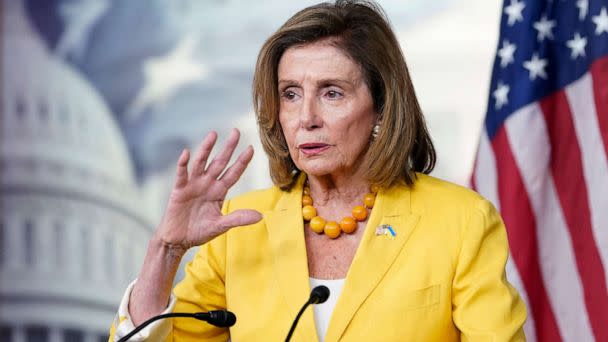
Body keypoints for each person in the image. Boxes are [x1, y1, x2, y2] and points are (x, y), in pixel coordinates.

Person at [109, 1, 527, 341]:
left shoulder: (461, 221)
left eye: (331, 92)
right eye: (290, 94)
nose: (305, 117)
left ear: (381, 106)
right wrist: (166, 249)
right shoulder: (240, 227)